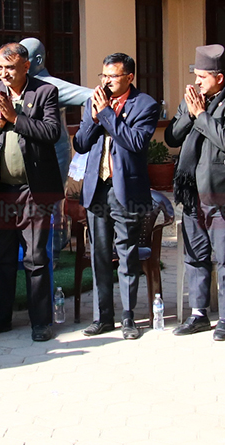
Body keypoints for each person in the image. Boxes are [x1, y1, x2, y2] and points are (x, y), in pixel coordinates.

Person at [0, 42, 63, 342]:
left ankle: (41, 322)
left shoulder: (44, 92)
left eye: (10, 67)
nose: (4, 74)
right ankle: (0, 319)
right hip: (0, 193)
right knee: (2, 259)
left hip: (33, 192)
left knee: (35, 258)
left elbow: (51, 133)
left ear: (26, 66)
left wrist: (16, 119)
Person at [164, 45, 225, 341]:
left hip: (221, 190)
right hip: (191, 191)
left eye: (202, 76)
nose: (197, 82)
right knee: (194, 255)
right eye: (196, 76)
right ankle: (199, 313)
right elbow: (172, 137)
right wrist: (190, 114)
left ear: (220, 77)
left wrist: (200, 114)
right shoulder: (191, 101)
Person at [73, 53, 160, 339]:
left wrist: (108, 114)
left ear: (129, 77)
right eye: (103, 76)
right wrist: (96, 117)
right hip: (96, 188)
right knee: (99, 255)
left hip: (126, 191)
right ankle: (103, 318)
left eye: (112, 76)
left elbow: (134, 142)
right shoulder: (93, 102)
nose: (106, 81)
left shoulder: (145, 104)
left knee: (127, 255)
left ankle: (128, 318)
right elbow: (81, 143)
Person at [19, 37, 94, 182]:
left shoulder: (52, 86)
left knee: (50, 202)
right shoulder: (20, 83)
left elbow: (91, 96)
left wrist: (86, 132)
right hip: (26, 156)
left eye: (24, 58)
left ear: (38, 60)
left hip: (52, 155)